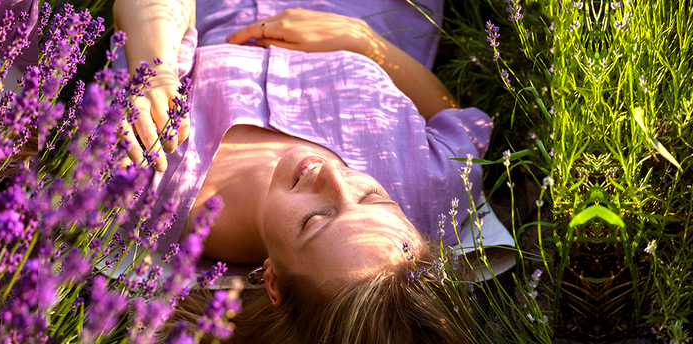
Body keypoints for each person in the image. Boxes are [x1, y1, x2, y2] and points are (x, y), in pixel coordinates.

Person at [112, 0, 512, 342]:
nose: (332, 176)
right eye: (372, 196)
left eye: (315, 220)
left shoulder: (153, 176)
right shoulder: (430, 192)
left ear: (271, 281)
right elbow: (460, 123)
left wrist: (156, 70)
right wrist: (362, 40)